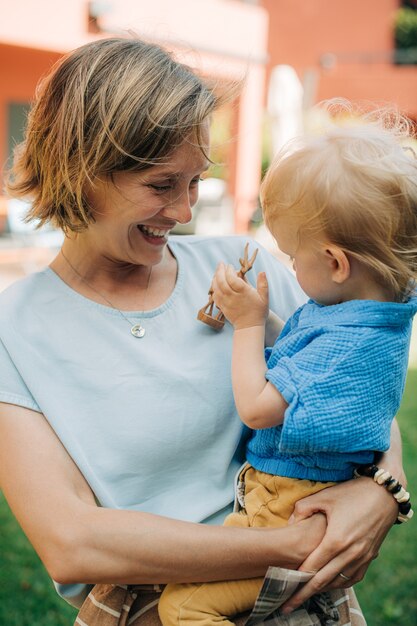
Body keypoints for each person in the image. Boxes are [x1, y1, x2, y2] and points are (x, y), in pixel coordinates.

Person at [0, 38, 406, 626]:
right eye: (162, 185)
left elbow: (358, 385)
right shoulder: (14, 328)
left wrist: (381, 493)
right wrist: (292, 548)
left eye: (195, 182)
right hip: (158, 607)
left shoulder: (244, 269)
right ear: (78, 168)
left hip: (297, 594)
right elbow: (73, 540)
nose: (186, 210)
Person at [158, 107, 417, 626]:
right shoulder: (365, 317)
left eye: (294, 256)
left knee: (183, 606)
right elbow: (304, 349)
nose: (289, 267)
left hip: (288, 508)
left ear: (336, 262)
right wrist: (263, 318)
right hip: (300, 497)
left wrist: (249, 326)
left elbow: (258, 408)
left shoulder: (347, 345)